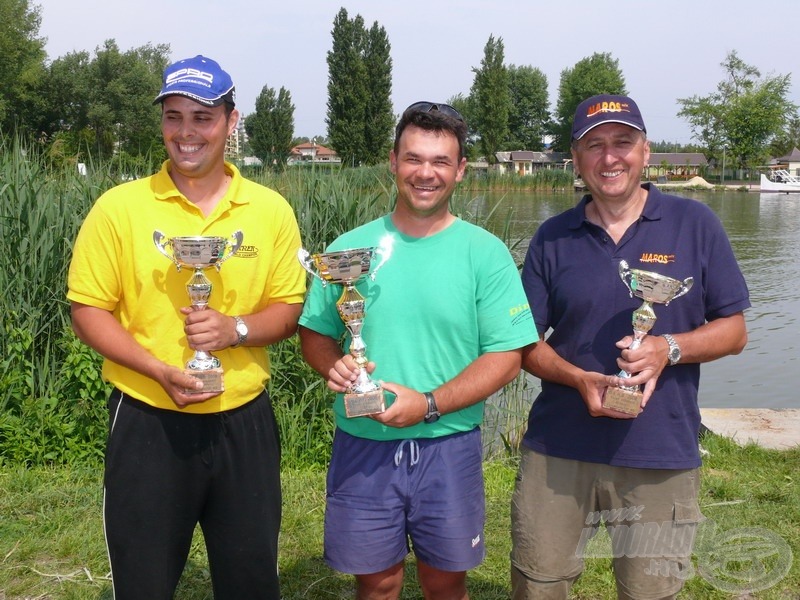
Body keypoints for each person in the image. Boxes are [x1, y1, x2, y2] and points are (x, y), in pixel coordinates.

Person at [67, 55, 306, 599]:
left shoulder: (270, 210)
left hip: (243, 418)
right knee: (143, 581)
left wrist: (235, 330)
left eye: (202, 117)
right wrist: (155, 368)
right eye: (174, 117)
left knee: (250, 580)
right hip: (147, 416)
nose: (186, 132)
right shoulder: (118, 208)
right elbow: (88, 310)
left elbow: (289, 310)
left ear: (230, 120)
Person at [510, 93, 750, 600]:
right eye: (593, 146)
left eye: (623, 142)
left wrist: (669, 347)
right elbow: (524, 344)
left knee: (650, 592)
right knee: (539, 586)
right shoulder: (552, 237)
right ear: (576, 160)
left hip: (660, 452)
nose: (609, 157)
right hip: (558, 449)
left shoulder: (695, 225)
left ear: (646, 151)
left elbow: (733, 330)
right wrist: (578, 378)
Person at [298, 102, 538, 600]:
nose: (425, 173)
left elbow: (507, 356)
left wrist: (427, 404)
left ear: (460, 170)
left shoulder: (485, 252)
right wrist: (334, 364)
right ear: (393, 161)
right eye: (413, 158)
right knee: (378, 584)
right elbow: (315, 333)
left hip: (448, 444)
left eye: (440, 161)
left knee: (445, 584)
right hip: (363, 443)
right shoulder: (350, 247)